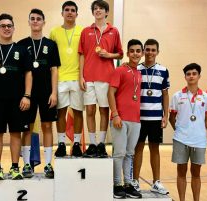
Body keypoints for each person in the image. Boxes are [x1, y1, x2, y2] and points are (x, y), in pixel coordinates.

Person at [0, 13, 32, 180]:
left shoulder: (21, 50)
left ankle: (15, 168)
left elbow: (28, 74)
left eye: (9, 25)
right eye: (3, 26)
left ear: (14, 28)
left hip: (18, 100)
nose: (6, 28)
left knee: (16, 133)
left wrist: (27, 96)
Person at [18, 9, 60, 179]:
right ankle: (27, 164)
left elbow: (54, 70)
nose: (35, 21)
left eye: (38, 19)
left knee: (48, 127)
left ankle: (49, 165)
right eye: (32, 19)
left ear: (44, 22)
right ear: (29, 22)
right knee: (26, 128)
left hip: (46, 93)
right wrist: (23, 95)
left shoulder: (50, 45)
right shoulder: (20, 45)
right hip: (27, 94)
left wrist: (54, 92)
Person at [79, 0, 123, 158]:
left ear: (106, 12)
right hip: (88, 77)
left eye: (101, 9)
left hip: (106, 77)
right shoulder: (86, 31)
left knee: (104, 110)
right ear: (93, 12)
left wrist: (108, 55)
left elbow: (120, 53)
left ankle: (101, 145)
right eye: (95, 9)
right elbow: (82, 54)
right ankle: (92, 144)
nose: (98, 11)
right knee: (90, 110)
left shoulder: (114, 31)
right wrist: (81, 77)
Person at [169, 63, 207, 201]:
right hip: (180, 139)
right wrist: (180, 130)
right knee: (181, 172)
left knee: (196, 173)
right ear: (185, 77)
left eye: (194, 73)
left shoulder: (206, 97)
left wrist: (200, 130)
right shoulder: (177, 96)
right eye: (188, 74)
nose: (191, 76)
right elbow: (172, 117)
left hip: (199, 140)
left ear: (199, 76)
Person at [132, 39, 170, 195]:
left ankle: (156, 182)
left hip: (155, 118)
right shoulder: (136, 69)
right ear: (143, 51)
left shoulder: (163, 70)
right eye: (147, 49)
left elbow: (165, 94)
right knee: (138, 149)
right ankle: (135, 181)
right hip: (138, 117)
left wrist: (165, 116)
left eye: (153, 50)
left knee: (155, 150)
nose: (149, 53)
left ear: (157, 52)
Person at [108, 39, 143, 199]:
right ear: (128, 53)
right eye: (132, 51)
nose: (135, 53)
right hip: (119, 119)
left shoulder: (139, 73)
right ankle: (117, 184)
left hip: (135, 120)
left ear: (141, 53)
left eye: (138, 51)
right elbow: (110, 93)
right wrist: (115, 114)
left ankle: (128, 184)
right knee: (119, 153)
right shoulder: (120, 70)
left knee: (129, 154)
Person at [50, 1, 84, 157]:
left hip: (77, 78)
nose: (70, 12)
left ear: (77, 14)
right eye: (67, 10)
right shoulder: (54, 32)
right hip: (60, 79)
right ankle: (62, 143)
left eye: (72, 10)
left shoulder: (82, 31)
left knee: (78, 112)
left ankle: (76, 144)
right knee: (60, 112)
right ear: (62, 13)